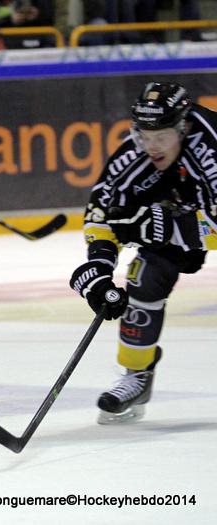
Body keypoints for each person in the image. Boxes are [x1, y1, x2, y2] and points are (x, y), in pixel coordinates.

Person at [69, 81, 217, 425]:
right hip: (185, 205)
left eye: (161, 137)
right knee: (146, 275)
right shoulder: (135, 153)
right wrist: (99, 268)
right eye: (145, 136)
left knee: (157, 229)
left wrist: (173, 228)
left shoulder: (211, 146)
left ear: (183, 127)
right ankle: (137, 374)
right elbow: (102, 213)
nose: (152, 146)